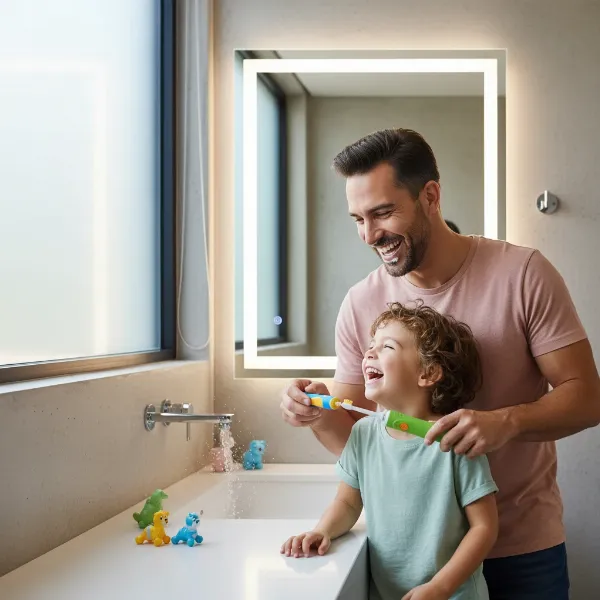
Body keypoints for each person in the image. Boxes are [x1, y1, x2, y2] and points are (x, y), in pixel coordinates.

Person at [280, 128, 600, 599]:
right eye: (358, 219)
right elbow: (354, 439)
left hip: (522, 548)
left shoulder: (524, 274)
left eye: (383, 213)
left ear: (430, 195)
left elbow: (588, 398)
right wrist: (312, 412)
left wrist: (505, 422)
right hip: (414, 560)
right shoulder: (360, 304)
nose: (370, 235)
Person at [282, 302, 499, 600]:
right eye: (371, 346)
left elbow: (484, 527)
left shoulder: (456, 441)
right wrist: (323, 531)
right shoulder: (363, 433)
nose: (369, 353)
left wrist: (440, 587)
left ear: (428, 372)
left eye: (388, 347)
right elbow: (347, 503)